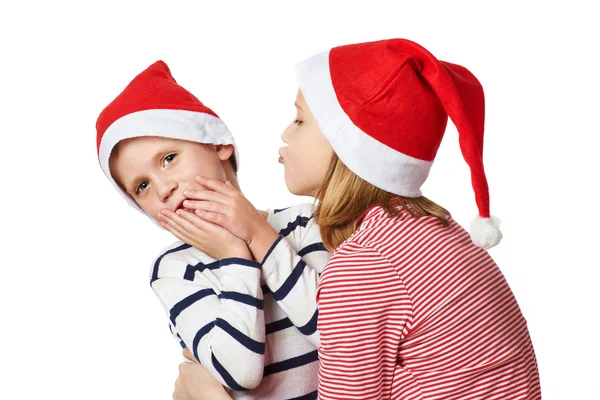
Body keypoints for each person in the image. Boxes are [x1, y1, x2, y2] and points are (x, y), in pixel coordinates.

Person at [180, 38, 542, 399]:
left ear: (348, 146)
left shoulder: (365, 264)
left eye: (300, 119)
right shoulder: (436, 233)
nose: (286, 133)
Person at [95, 60, 330, 399]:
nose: (163, 189)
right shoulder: (176, 270)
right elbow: (240, 374)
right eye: (142, 186)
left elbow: (337, 334)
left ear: (218, 144)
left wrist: (256, 236)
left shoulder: (305, 224)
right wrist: (235, 255)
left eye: (169, 158)